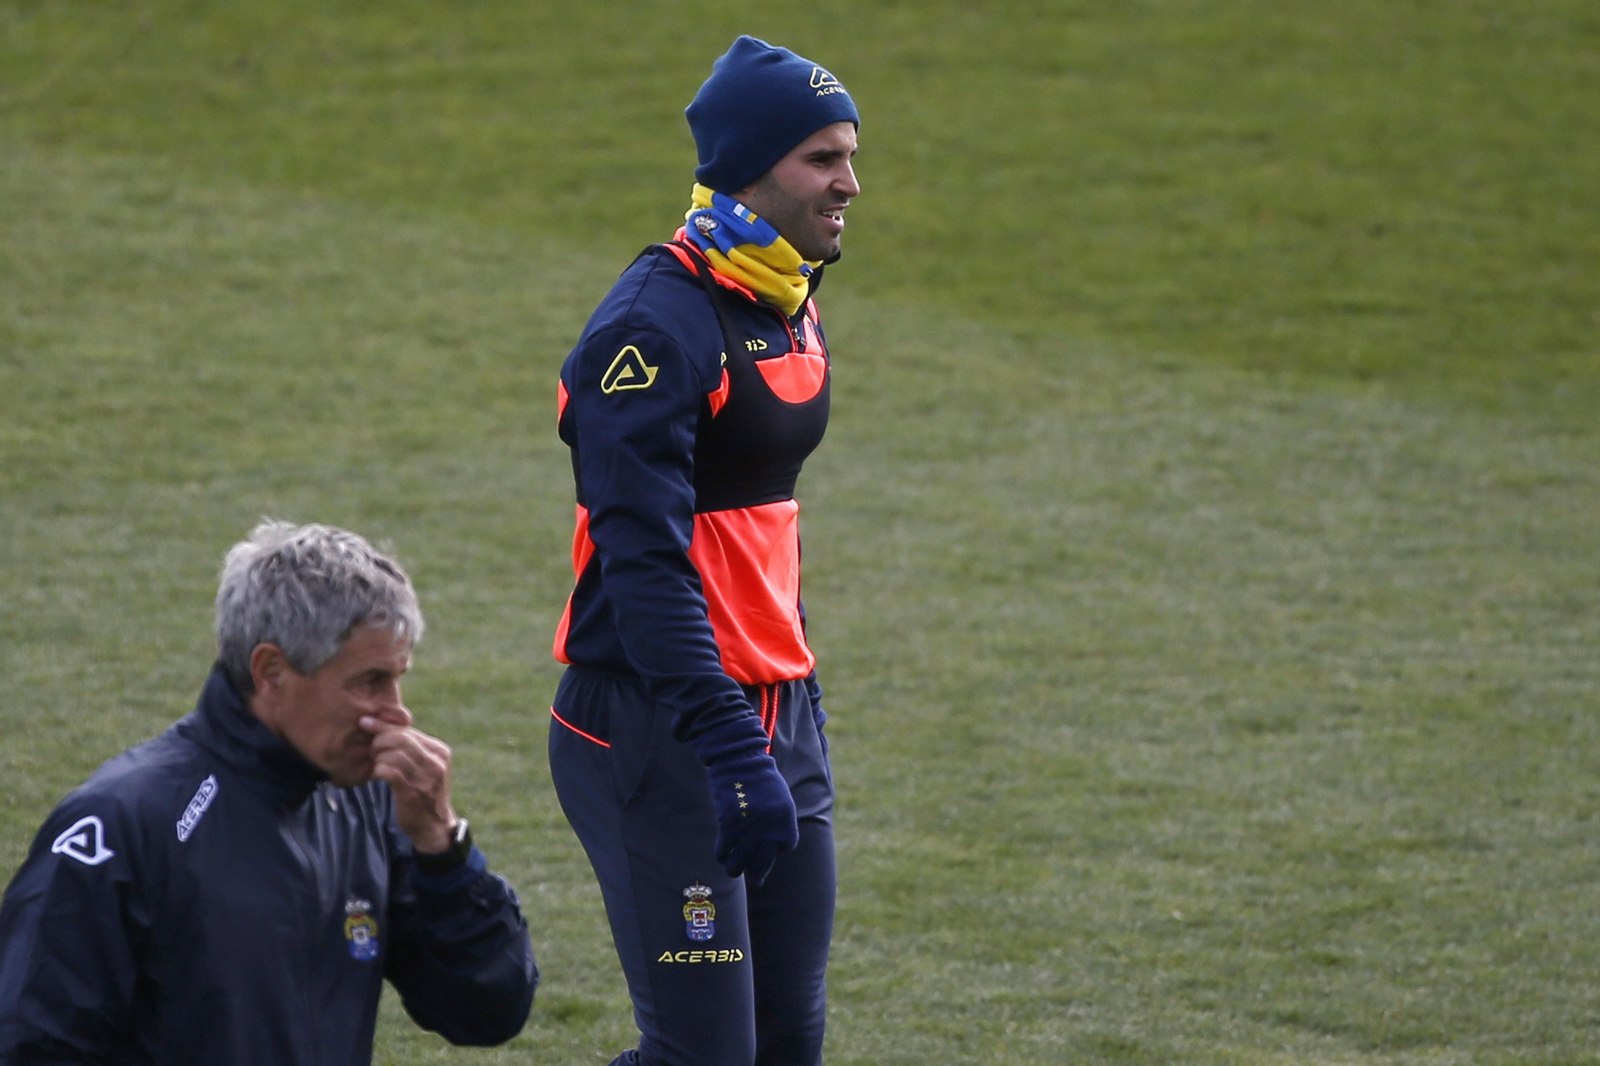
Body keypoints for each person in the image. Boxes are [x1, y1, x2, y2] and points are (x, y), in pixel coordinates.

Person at [547, 35, 860, 1066]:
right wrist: (726, 742)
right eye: (821, 157)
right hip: (662, 720)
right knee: (703, 1057)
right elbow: (644, 563)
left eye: (850, 155)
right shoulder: (651, 330)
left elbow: (755, 532)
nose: (849, 182)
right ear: (750, 166)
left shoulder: (783, 295)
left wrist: (786, 696)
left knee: (784, 1044)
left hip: (778, 709)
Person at [0, 521, 538, 1064]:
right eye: (369, 681)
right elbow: (34, 1044)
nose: (398, 712)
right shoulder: (121, 827)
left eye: (399, 678)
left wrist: (443, 850)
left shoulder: (368, 801)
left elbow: (486, 1010)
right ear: (271, 670)